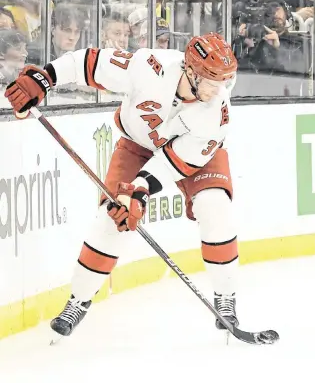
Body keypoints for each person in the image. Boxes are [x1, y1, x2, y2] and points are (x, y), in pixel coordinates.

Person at [5, 33, 240, 338]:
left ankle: (226, 298)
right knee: (111, 219)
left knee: (215, 207)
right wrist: (46, 77)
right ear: (191, 71)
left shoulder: (217, 114)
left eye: (224, 81)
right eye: (211, 80)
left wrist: (139, 190)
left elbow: (174, 164)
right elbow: (88, 63)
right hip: (136, 145)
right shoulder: (149, 67)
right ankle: (79, 300)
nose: (218, 89)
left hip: (190, 157)